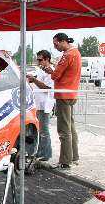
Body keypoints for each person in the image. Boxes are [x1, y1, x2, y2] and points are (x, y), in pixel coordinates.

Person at [42, 33, 81, 169]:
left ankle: (65, 161)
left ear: (63, 41)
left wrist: (50, 71)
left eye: (56, 44)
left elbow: (56, 75)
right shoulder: (76, 52)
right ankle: (74, 157)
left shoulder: (67, 55)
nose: (55, 46)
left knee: (64, 130)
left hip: (63, 94)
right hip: (72, 93)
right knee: (71, 127)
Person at [27, 50, 55, 161]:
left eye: (40, 60)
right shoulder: (41, 70)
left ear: (47, 59)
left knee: (44, 130)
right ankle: (39, 151)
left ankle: (46, 154)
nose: (38, 62)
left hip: (45, 104)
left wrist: (34, 80)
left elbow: (47, 88)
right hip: (38, 104)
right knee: (39, 130)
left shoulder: (51, 71)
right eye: (37, 59)